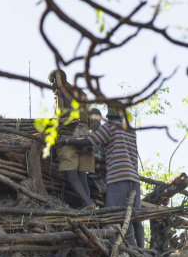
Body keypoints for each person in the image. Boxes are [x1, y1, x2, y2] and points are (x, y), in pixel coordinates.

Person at [56, 103, 145, 248]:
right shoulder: (130, 131)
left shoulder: (109, 127)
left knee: (113, 215)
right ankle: (140, 250)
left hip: (118, 179)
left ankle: (118, 247)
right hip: (134, 178)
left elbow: (88, 141)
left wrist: (65, 141)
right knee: (135, 216)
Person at [49, 69, 95, 210]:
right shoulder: (81, 93)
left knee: (71, 171)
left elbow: (59, 113)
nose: (51, 87)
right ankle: (87, 206)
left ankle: (87, 203)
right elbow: (91, 117)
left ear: (56, 80)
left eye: (51, 83)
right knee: (82, 173)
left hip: (69, 133)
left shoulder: (60, 92)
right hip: (86, 134)